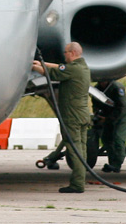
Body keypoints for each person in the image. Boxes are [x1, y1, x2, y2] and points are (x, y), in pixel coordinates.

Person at [33, 42, 91, 193]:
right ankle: (81, 180)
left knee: (74, 150)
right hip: (83, 114)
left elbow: (53, 74)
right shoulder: (82, 67)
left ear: (72, 53)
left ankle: (77, 184)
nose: (64, 55)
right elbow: (60, 67)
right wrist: (42, 63)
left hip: (72, 116)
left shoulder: (73, 69)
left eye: (65, 52)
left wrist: (33, 67)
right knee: (82, 149)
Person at [90, 79, 126, 173]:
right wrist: (98, 114)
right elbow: (95, 104)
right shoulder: (97, 89)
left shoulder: (117, 88)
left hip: (122, 115)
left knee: (118, 138)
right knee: (106, 138)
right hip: (108, 114)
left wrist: (107, 119)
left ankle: (117, 164)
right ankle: (112, 162)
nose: (102, 82)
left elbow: (121, 107)